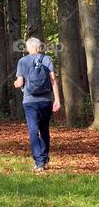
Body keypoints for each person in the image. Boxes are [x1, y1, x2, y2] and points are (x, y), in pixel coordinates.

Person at [14, 37, 61, 172]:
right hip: (46, 101)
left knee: (33, 130)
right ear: (39, 47)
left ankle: (39, 162)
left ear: (28, 48)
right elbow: (53, 81)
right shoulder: (47, 60)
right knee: (44, 129)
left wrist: (16, 83)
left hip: (29, 102)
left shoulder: (22, 61)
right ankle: (44, 159)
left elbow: (20, 82)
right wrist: (57, 100)